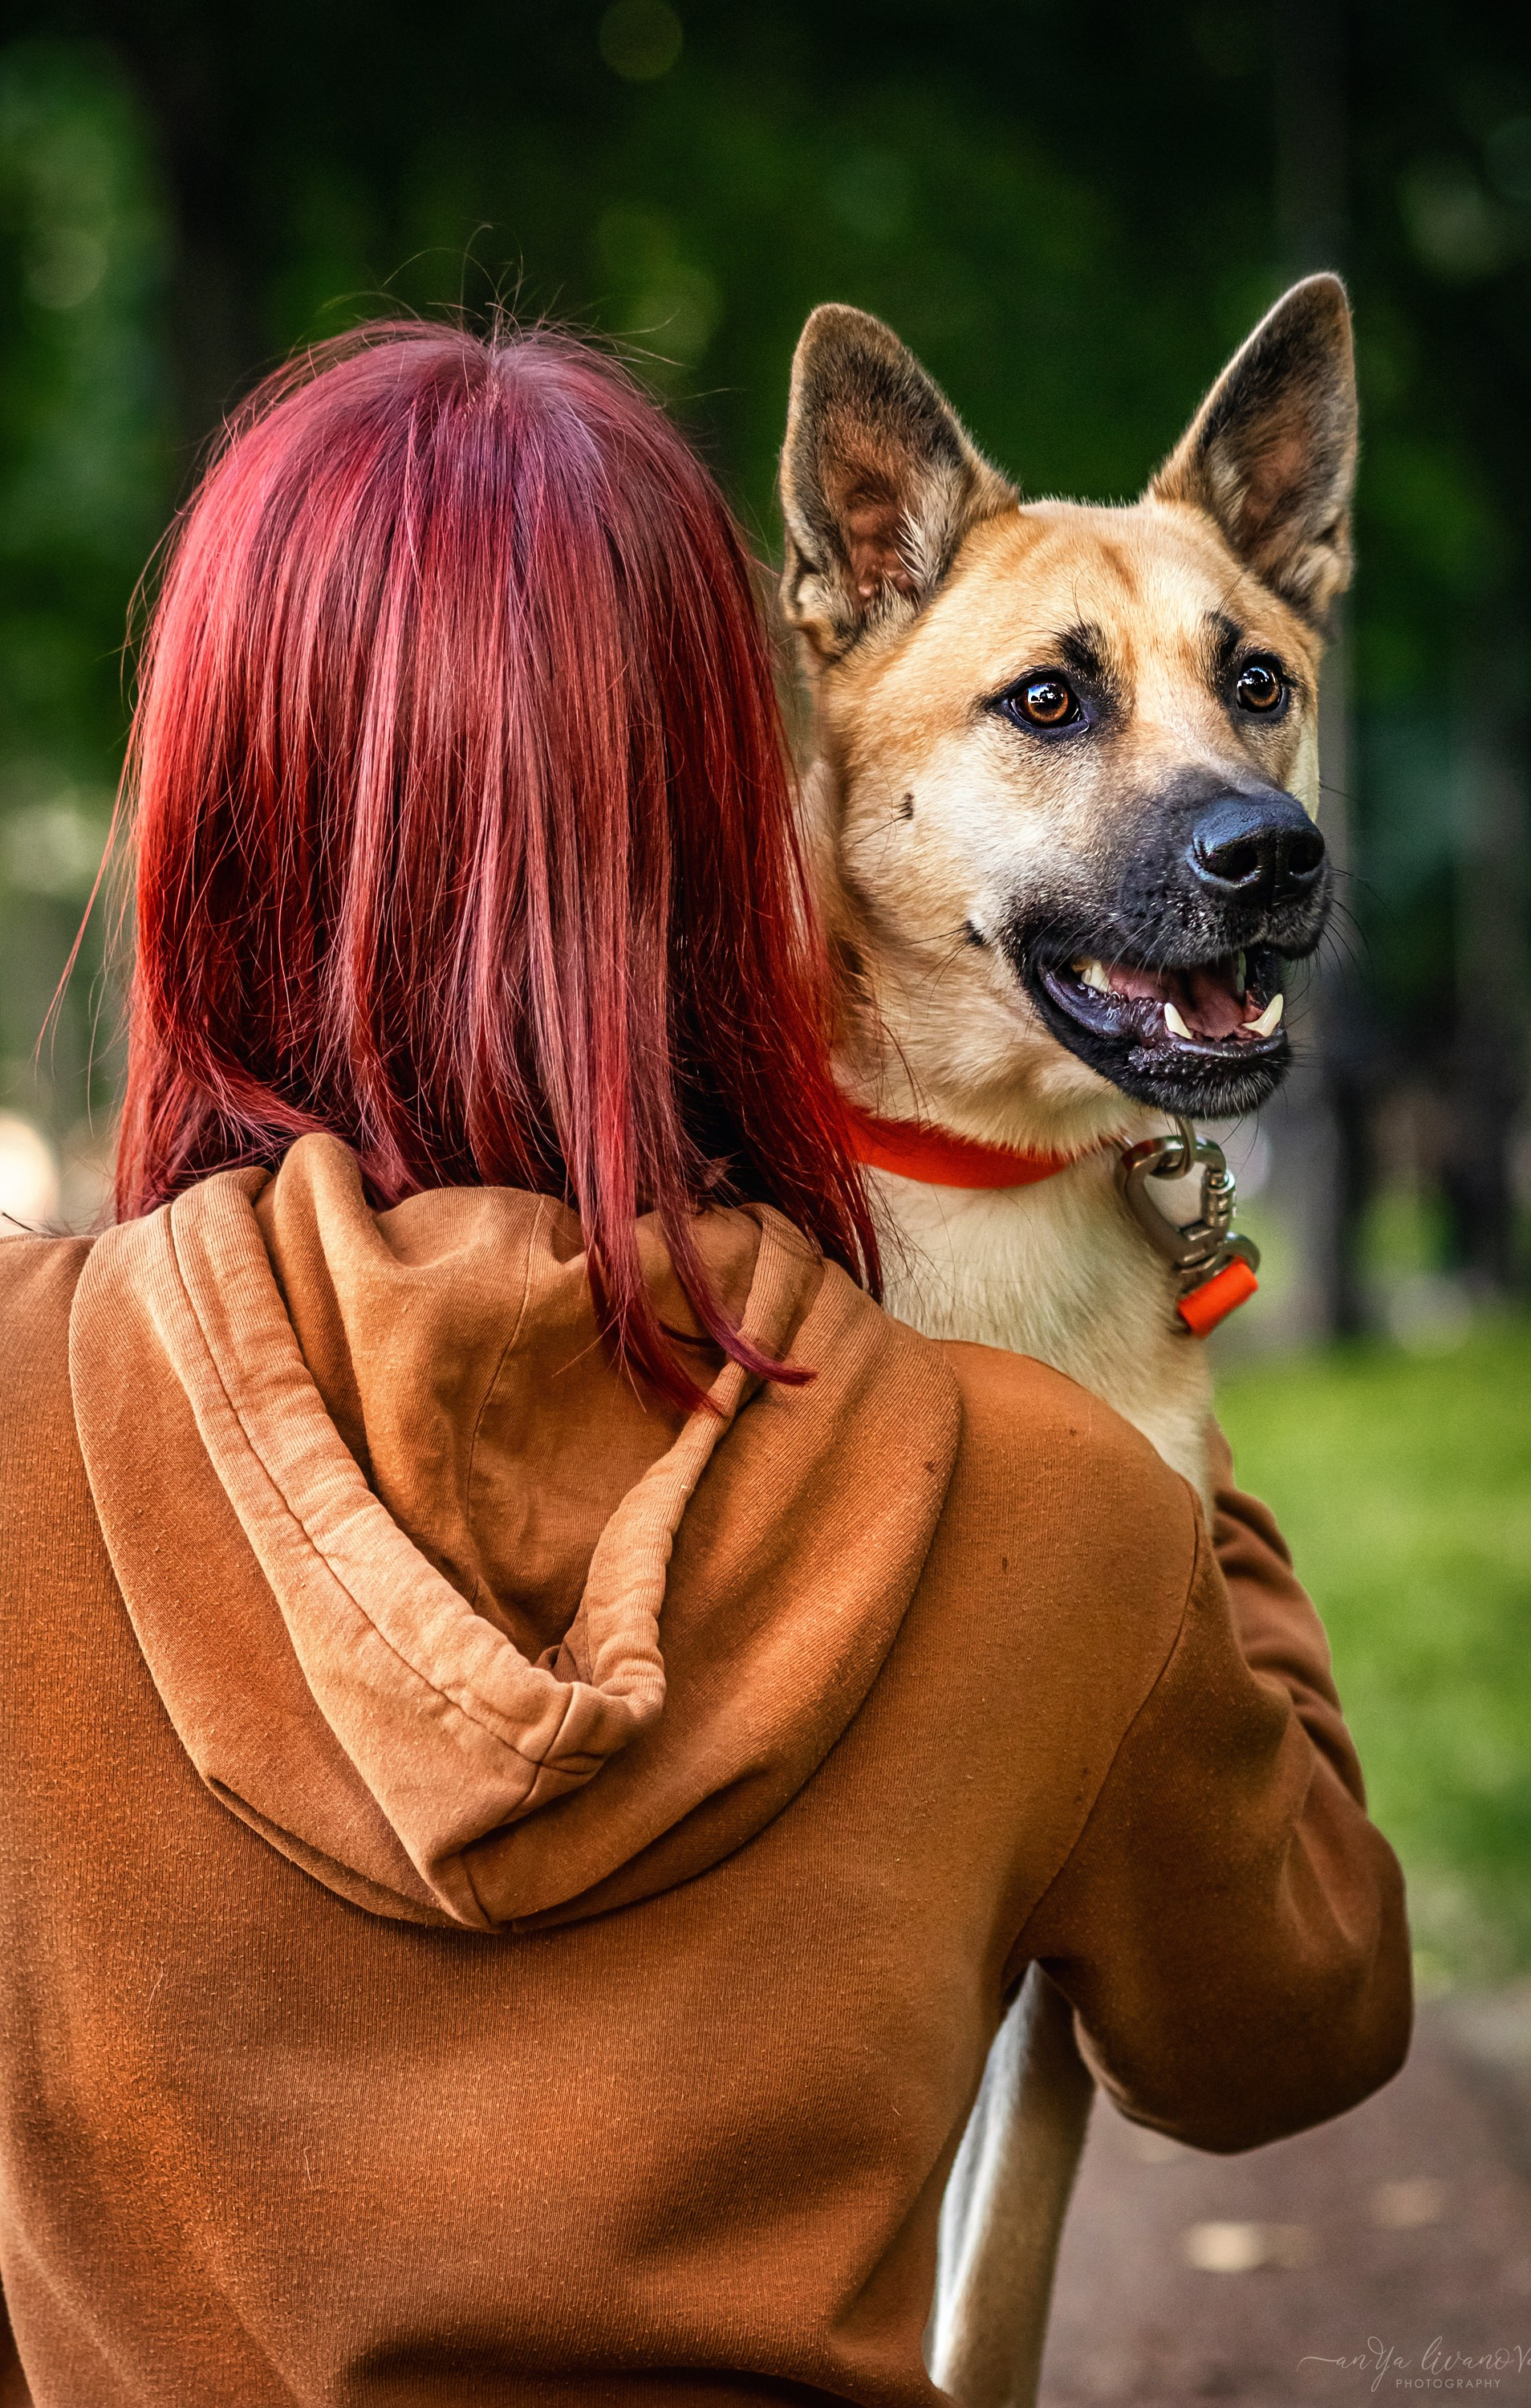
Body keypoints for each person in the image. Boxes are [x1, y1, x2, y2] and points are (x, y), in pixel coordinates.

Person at [0, 322, 1410, 2408]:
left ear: (194, 811)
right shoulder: (1056, 1503)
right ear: (749, 793)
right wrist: (1185, 1486)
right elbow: (1302, 2019)